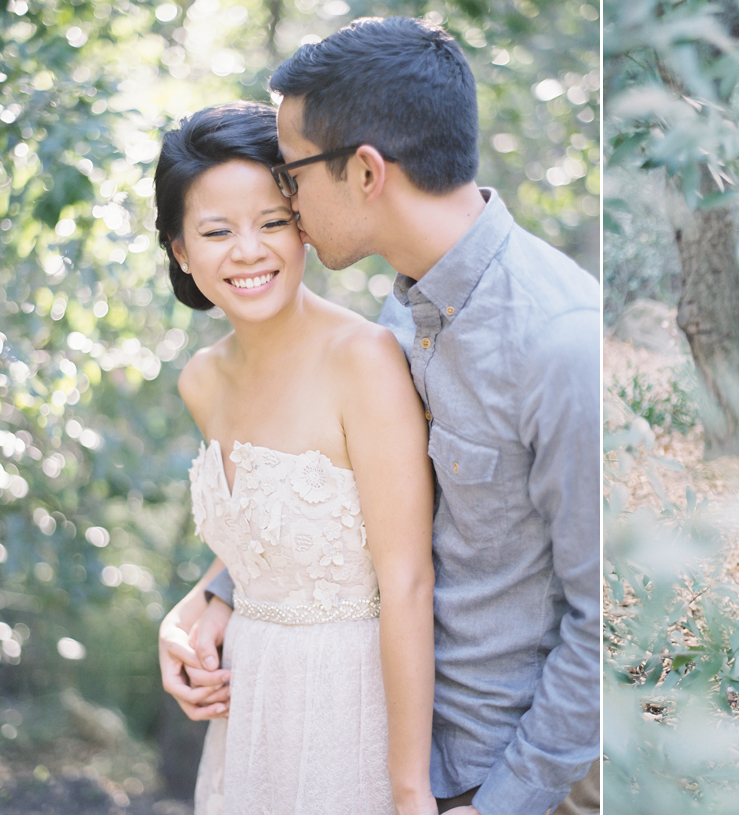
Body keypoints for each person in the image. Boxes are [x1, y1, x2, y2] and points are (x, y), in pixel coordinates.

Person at [158, 17, 601, 815]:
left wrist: (501, 800)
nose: (283, 201)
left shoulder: (559, 342)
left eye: (289, 177)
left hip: (513, 772)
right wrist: (216, 595)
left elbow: (605, 616)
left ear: (365, 171)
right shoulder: (405, 318)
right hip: (389, 746)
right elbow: (352, 509)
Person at [153, 101, 437, 813]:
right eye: (217, 231)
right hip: (248, 715)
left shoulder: (363, 360)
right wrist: (191, 611)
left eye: (273, 222)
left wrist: (408, 792)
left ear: (304, 225)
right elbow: (264, 543)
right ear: (181, 250)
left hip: (353, 707)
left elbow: (406, 580)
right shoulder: (201, 381)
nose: (248, 252)